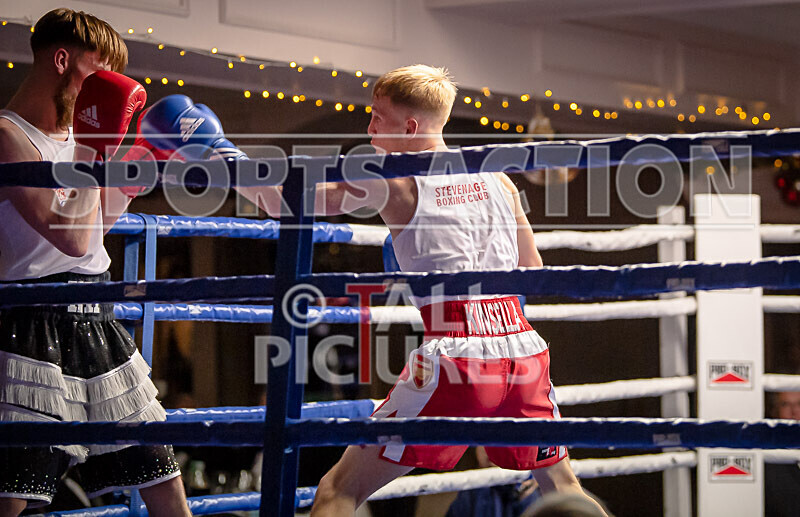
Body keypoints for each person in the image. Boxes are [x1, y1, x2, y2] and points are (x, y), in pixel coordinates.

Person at [251, 64, 607, 516]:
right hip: (523, 352)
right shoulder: (498, 179)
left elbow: (286, 202)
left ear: (411, 126)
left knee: (337, 490)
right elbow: (531, 268)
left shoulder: (393, 180)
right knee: (562, 487)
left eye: (379, 116)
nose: (369, 126)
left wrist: (221, 156)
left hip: (456, 356)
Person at [0, 9, 190, 515]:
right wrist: (96, 147)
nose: (106, 89)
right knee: (15, 493)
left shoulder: (73, 142)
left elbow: (91, 232)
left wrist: (136, 169)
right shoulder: (8, 137)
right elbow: (68, 236)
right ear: (61, 60)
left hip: (97, 323)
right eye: (95, 74)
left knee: (163, 479)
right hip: (32, 326)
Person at [765, 390, 800, 516]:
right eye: (785, 404)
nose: (794, 411)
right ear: (775, 411)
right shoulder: (768, 460)